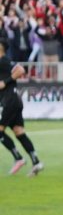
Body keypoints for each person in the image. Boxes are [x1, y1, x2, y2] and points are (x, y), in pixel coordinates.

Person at [0, 46, 41, 176]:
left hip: (10, 101)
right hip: (14, 101)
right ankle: (36, 162)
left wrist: (5, 82)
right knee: (19, 132)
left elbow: (21, 69)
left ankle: (18, 158)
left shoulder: (4, 61)